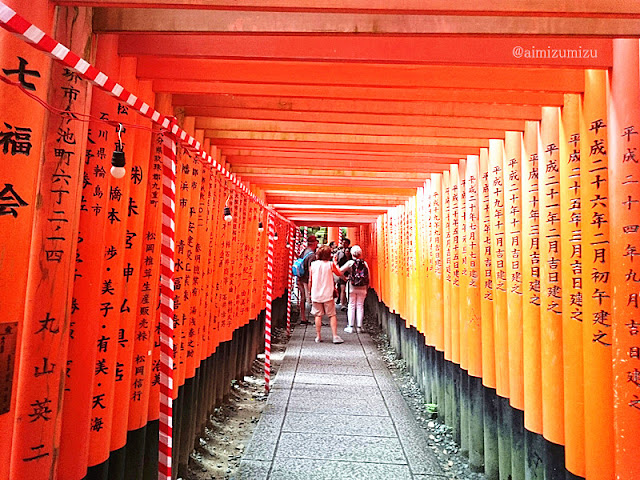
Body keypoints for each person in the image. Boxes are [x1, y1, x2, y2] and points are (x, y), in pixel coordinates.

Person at [309, 245, 346, 344]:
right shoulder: (330, 264)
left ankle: (318, 336)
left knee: (318, 315)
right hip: (328, 293)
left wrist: (309, 292)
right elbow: (338, 273)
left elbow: (310, 280)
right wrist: (335, 262)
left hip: (316, 293)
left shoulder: (313, 265)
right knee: (332, 315)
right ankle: (334, 336)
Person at [340, 245, 370, 334]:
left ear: (352, 254)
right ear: (360, 254)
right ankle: (359, 327)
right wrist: (367, 286)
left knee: (351, 305)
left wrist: (345, 278)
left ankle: (351, 326)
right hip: (362, 287)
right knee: (360, 306)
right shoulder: (365, 263)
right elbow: (369, 276)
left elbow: (339, 271)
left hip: (352, 287)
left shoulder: (350, 263)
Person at [296, 235, 318, 324]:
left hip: (300, 277)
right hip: (306, 279)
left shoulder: (304, 251)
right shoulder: (312, 255)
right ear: (314, 243)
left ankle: (303, 317)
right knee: (309, 298)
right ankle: (313, 316)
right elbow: (311, 270)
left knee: (302, 298)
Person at [333, 237, 351, 310]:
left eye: (345, 243)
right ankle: (343, 304)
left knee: (349, 289)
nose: (344, 244)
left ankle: (348, 303)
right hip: (341, 271)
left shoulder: (351, 251)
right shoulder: (339, 252)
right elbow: (336, 262)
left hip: (349, 272)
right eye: (343, 242)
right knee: (342, 288)